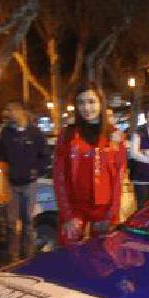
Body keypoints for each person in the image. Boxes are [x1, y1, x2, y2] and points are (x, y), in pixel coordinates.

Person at [53, 81, 127, 246]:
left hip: (105, 209)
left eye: (91, 101)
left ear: (101, 103)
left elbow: (118, 179)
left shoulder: (114, 136)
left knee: (104, 259)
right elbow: (59, 178)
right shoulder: (67, 136)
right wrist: (67, 216)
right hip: (74, 207)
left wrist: (110, 215)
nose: (86, 108)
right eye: (81, 102)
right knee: (70, 255)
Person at [0, 101, 50, 260]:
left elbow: (45, 156)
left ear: (20, 111)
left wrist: (36, 171)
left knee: (28, 221)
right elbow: (1, 153)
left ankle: (27, 256)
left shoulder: (35, 133)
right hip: (11, 183)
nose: (6, 113)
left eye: (10, 110)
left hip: (29, 183)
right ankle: (12, 256)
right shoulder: (6, 133)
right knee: (11, 223)